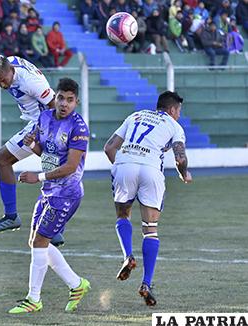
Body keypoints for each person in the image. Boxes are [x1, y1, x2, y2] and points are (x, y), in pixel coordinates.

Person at [8, 78, 91, 314]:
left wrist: (38, 177)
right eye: (61, 98)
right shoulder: (44, 118)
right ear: (55, 97)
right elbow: (46, 153)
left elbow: (71, 167)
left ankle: (34, 299)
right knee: (36, 242)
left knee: (40, 242)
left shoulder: (79, 127)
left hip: (67, 192)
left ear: (76, 102)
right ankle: (76, 285)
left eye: (70, 100)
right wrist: (32, 145)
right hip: (49, 190)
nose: (64, 104)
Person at [103, 91, 192, 306]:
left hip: (125, 164)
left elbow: (109, 147)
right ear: (172, 110)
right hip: (152, 170)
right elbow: (180, 157)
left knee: (123, 214)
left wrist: (123, 166)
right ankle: (146, 283)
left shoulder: (135, 116)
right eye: (178, 111)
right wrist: (183, 173)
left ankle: (127, 256)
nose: (178, 115)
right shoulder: (174, 126)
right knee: (150, 228)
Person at [0, 55, 65, 247]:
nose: (2, 85)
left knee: (2, 160)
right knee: (54, 171)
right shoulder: (8, 63)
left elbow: (53, 104)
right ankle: (54, 230)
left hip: (43, 123)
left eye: (3, 81)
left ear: (10, 71)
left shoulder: (30, 82)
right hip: (37, 122)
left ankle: (12, 216)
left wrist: (41, 133)